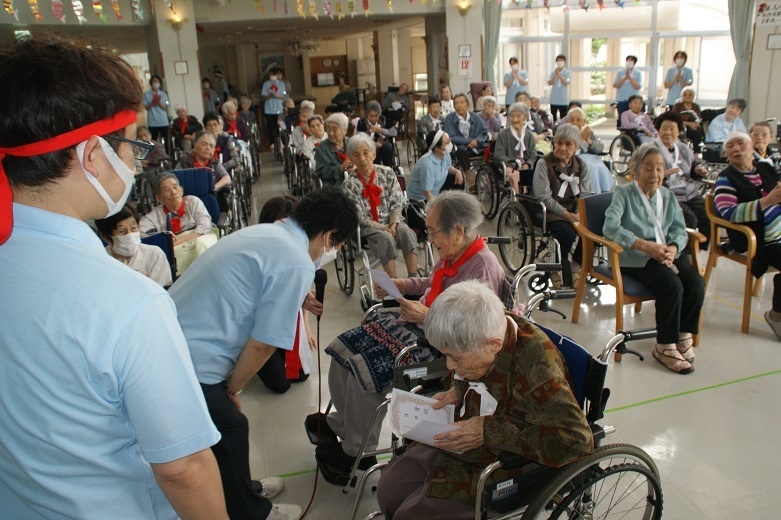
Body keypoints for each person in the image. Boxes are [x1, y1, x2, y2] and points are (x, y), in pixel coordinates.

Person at [0, 34, 227, 519]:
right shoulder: (126, 302)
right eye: (133, 146)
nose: (136, 162)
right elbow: (183, 466)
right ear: (92, 155)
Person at [169, 189, 359, 520]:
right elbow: (263, 344)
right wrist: (232, 388)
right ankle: (252, 512)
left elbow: (256, 282)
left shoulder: (269, 232)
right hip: (188, 359)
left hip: (174, 335)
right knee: (230, 429)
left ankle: (242, 490)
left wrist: (296, 296)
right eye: (338, 245)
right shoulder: (296, 260)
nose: (333, 251)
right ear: (329, 236)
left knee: (228, 429)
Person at [310, 192, 507, 486]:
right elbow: (432, 282)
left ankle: (356, 451)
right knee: (344, 349)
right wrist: (403, 284)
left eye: (433, 232)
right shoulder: (455, 255)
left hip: (441, 348)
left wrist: (426, 316)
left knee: (365, 371)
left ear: (458, 231)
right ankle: (344, 424)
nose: (430, 239)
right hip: (416, 327)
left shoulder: (482, 268)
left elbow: (472, 334)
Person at [375, 280, 594, 519]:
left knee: (410, 516)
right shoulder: (488, 324)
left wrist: (487, 431)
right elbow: (471, 366)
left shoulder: (538, 370)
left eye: (455, 358)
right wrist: (459, 386)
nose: (450, 366)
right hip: (467, 433)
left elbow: (577, 440)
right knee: (389, 490)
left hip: (507, 461)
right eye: (445, 356)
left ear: (493, 345)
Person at [604, 143, 705, 373]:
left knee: (696, 283)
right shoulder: (624, 193)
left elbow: (680, 230)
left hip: (664, 253)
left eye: (659, 168)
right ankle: (664, 345)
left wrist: (673, 247)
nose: (655, 173)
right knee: (672, 286)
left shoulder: (667, 196)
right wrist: (645, 246)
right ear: (636, 169)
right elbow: (610, 228)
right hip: (634, 256)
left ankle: (683, 335)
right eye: (648, 167)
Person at [714, 131, 781, 341]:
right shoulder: (726, 178)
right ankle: (777, 316)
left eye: (741, 144)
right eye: (730, 146)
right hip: (761, 240)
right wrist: (766, 201)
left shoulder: (767, 169)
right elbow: (728, 212)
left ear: (752, 146)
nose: (736, 149)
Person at [255, 194, 319, 394]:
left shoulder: (301, 253)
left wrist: (306, 326)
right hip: (259, 322)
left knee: (301, 375)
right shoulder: (258, 252)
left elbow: (303, 293)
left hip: (287, 319)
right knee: (280, 385)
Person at [342, 133, 418, 278]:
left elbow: (397, 200)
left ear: (374, 154)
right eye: (357, 155)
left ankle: (413, 279)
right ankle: (393, 284)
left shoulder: (387, 173)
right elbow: (359, 216)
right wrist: (383, 228)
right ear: (351, 158)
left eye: (366, 153)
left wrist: (394, 224)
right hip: (369, 228)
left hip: (392, 221)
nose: (362, 158)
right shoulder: (349, 184)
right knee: (385, 238)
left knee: (406, 232)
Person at [533, 124, 592, 289]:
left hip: (575, 208)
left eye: (568, 144)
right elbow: (543, 196)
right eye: (559, 143)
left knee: (595, 231)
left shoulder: (582, 165)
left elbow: (586, 193)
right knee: (567, 233)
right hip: (551, 210)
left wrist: (579, 212)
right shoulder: (544, 164)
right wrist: (567, 215)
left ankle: (575, 264)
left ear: (576, 147)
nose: (562, 148)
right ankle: (555, 266)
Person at [654, 111, 710, 242]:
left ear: (678, 132)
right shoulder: (649, 150)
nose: (668, 132)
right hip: (666, 193)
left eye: (672, 129)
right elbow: (641, 176)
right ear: (658, 130)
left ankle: (697, 253)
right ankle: (684, 254)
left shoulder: (684, 149)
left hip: (689, 192)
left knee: (708, 216)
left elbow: (692, 171)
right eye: (664, 128)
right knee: (690, 219)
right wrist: (662, 174)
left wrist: (698, 171)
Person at [95, 202, 173, 287]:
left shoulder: (154, 255)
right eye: (122, 231)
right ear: (105, 237)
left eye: (133, 228)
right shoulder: (100, 263)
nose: (130, 235)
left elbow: (163, 293)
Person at [140, 173, 213, 243]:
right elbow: (142, 236)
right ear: (158, 198)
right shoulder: (153, 217)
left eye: (175, 187)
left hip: (198, 241)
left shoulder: (193, 202)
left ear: (181, 190)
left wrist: (180, 241)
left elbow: (205, 226)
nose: (173, 192)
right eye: (167, 189)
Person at [175, 131, 232, 208]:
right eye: (204, 144)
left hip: (211, 200)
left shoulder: (214, 163)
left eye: (211, 146)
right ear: (195, 146)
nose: (208, 148)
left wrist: (212, 188)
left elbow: (227, 178)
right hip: (188, 200)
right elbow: (174, 178)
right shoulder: (184, 161)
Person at [565, 107, 614, 194]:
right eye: (572, 120)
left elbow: (600, 148)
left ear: (584, 121)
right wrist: (580, 140)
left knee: (599, 166)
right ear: (567, 122)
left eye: (578, 120)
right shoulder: (565, 134)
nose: (575, 122)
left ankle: (604, 193)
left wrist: (589, 141)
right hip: (574, 159)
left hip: (593, 158)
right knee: (590, 167)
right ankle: (592, 193)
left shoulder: (589, 132)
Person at [444, 93, 488, 186]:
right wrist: (470, 141)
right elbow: (451, 136)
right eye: (456, 103)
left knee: (490, 149)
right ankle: (468, 177)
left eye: (461, 102)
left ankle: (489, 177)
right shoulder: (450, 118)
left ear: (468, 105)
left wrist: (477, 140)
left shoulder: (475, 117)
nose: (459, 105)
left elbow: (484, 132)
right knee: (460, 151)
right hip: (461, 149)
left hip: (477, 147)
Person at [407, 130, 464, 202]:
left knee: (457, 179)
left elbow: (446, 167)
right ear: (437, 148)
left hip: (435, 193)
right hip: (420, 200)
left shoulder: (445, 155)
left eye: (449, 140)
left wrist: (457, 171)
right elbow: (427, 193)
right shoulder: (427, 165)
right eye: (447, 142)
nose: (450, 144)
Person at [493, 102, 537, 193]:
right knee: (515, 175)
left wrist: (527, 164)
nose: (515, 119)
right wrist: (514, 165)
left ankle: (532, 199)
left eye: (518, 116)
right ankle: (517, 199)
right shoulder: (503, 134)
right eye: (512, 116)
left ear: (525, 118)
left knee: (537, 174)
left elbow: (533, 153)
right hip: (509, 165)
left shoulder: (529, 135)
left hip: (525, 166)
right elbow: (498, 154)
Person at [356, 100, 398, 167]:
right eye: (371, 116)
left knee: (387, 148)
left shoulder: (383, 120)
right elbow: (360, 138)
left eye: (376, 116)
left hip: (383, 143)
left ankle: (389, 168)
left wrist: (381, 130)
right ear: (367, 115)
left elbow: (394, 132)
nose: (374, 118)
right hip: (368, 145)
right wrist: (373, 143)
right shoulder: (361, 123)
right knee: (375, 151)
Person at [315, 112, 350, 189]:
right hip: (333, 186)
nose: (330, 133)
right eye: (328, 129)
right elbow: (321, 172)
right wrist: (340, 168)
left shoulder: (352, 144)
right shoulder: (322, 148)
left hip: (353, 182)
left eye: (334, 129)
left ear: (344, 131)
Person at [262, 67, 287, 151]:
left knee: (279, 125)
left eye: (274, 74)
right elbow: (264, 96)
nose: (272, 76)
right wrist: (269, 96)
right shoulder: (266, 84)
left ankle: (281, 141)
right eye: (271, 74)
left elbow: (283, 95)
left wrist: (276, 95)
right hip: (269, 108)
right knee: (270, 126)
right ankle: (272, 142)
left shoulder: (281, 84)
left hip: (278, 107)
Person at [672, 87, 704, 151]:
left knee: (698, 130)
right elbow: (674, 118)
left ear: (693, 96)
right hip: (680, 126)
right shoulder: (678, 106)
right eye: (685, 95)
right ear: (682, 96)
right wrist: (689, 124)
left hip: (693, 128)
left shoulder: (696, 106)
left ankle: (697, 152)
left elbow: (698, 118)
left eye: (690, 95)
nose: (687, 96)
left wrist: (695, 124)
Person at [143, 74, 170, 143]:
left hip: (163, 121)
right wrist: (152, 102)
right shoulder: (146, 94)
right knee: (153, 140)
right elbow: (146, 108)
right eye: (154, 81)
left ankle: (166, 153)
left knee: (166, 140)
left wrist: (158, 102)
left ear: (160, 83)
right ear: (151, 83)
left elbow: (165, 108)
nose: (156, 83)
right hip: (152, 122)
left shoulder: (163, 94)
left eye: (157, 81)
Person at [548, 54, 571, 121]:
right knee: (553, 118)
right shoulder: (553, 72)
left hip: (563, 100)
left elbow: (566, 83)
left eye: (561, 60)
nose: (559, 62)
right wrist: (555, 74)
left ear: (564, 62)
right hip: (554, 100)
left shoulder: (567, 72)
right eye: (558, 60)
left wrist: (559, 74)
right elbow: (549, 83)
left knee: (563, 118)